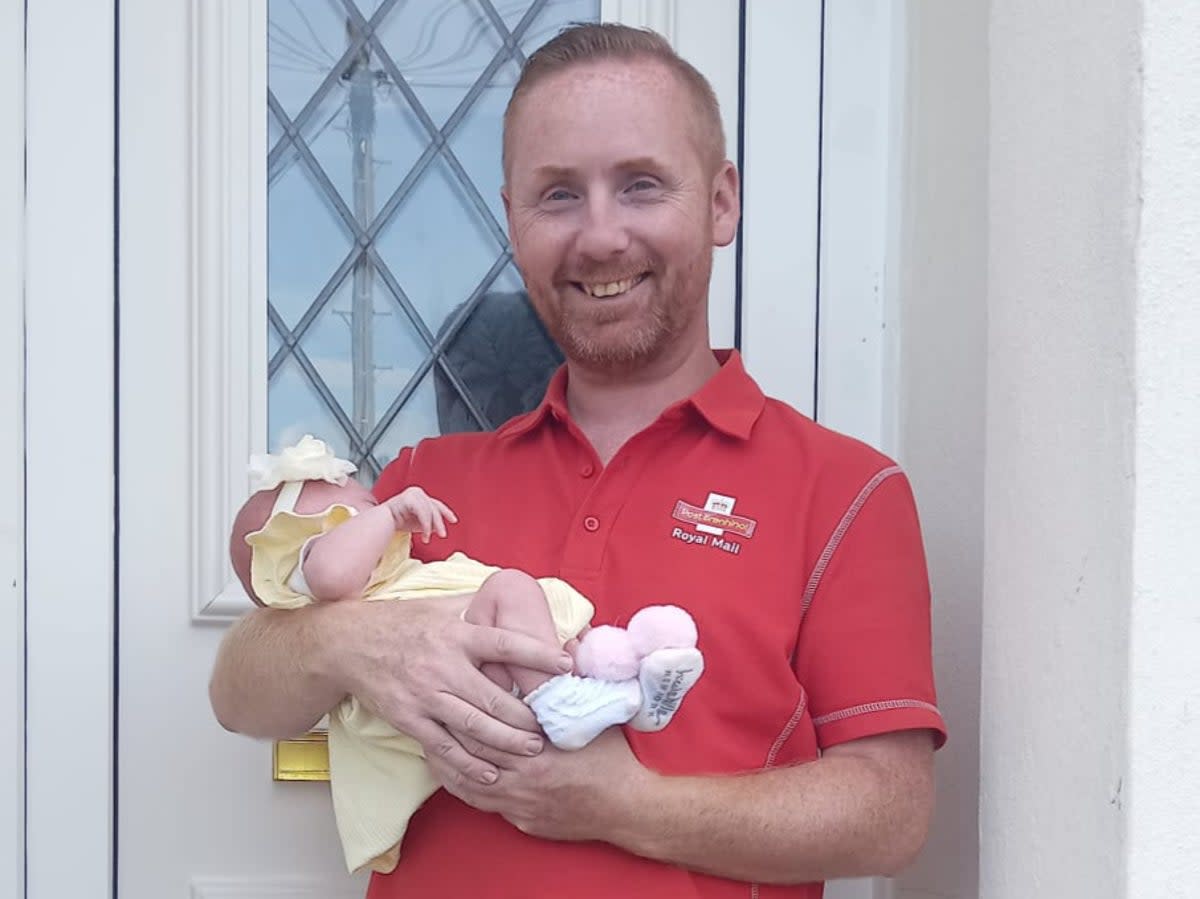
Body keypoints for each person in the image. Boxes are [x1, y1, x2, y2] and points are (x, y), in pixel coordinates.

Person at [210, 22, 946, 899]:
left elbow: (890, 812)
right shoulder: (424, 485)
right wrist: (351, 640)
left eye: (640, 186)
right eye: (557, 195)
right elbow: (239, 695)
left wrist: (623, 804)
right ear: (511, 220)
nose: (600, 237)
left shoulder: (844, 491)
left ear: (720, 203)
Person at [228, 434, 704, 874]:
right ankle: (560, 700)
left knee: (564, 639)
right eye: (361, 506)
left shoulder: (396, 574)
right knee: (510, 589)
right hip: (464, 702)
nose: (377, 507)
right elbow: (329, 576)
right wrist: (389, 515)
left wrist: (630, 804)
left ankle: (633, 693)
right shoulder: (328, 565)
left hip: (486, 690)